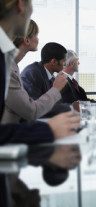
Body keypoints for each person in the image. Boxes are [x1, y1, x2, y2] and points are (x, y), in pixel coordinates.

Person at [0, 0, 80, 145]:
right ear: (20, 4)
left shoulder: (11, 62)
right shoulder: (25, 69)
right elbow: (30, 111)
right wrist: (48, 129)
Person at [1, 20, 68, 124]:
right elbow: (31, 111)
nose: (38, 39)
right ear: (26, 40)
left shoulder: (13, 66)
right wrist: (56, 88)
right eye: (36, 35)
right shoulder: (10, 69)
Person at [21, 42, 72, 117]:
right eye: (64, 61)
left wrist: (72, 106)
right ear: (54, 62)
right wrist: (71, 108)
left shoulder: (52, 78)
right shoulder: (32, 73)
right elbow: (36, 107)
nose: (65, 64)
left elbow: (56, 104)